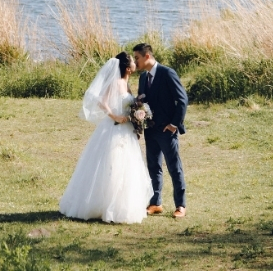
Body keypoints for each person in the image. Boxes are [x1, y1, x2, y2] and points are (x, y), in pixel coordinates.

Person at [58, 52, 154, 223]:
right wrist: (115, 116)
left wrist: (138, 116)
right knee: (111, 164)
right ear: (127, 68)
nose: (134, 62)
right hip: (114, 128)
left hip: (126, 130)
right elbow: (101, 101)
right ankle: (103, 205)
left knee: (126, 167)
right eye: (132, 60)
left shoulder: (126, 83)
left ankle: (121, 206)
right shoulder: (116, 82)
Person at [133, 43, 188, 217]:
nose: (136, 61)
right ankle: (155, 203)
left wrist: (174, 124)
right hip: (150, 130)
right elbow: (142, 103)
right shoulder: (143, 78)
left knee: (174, 167)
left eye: (137, 58)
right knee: (153, 167)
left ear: (147, 56)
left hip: (167, 130)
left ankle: (181, 205)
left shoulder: (167, 73)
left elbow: (182, 100)